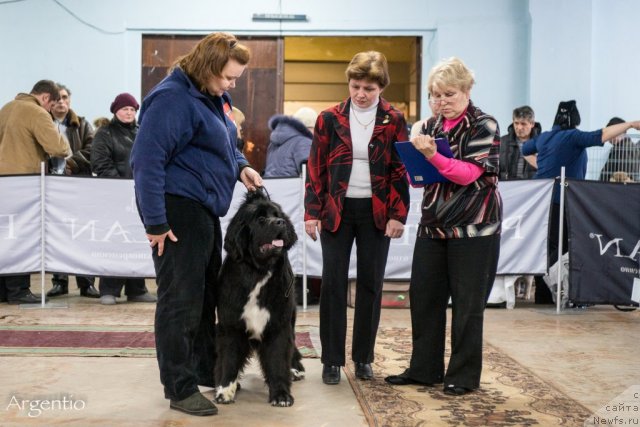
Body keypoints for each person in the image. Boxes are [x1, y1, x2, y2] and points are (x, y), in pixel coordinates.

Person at [130, 32, 262, 416]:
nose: (231, 85)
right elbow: (147, 163)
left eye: (235, 78)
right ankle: (180, 386)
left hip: (205, 211)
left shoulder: (212, 95)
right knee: (181, 302)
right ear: (207, 68)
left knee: (206, 298)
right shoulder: (172, 99)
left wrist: (242, 168)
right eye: (228, 77)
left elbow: (224, 145)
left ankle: (205, 369)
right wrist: (155, 222)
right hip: (177, 212)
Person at [384, 57, 502, 396]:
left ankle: (462, 376)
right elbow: (419, 180)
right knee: (424, 299)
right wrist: (415, 159)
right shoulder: (430, 126)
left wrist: (433, 156)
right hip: (434, 226)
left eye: (448, 94)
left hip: (475, 228)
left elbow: (468, 174)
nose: (441, 102)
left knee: (467, 306)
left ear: (466, 91)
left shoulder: (485, 125)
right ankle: (424, 369)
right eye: (435, 95)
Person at [304, 51, 410, 385]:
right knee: (333, 283)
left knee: (370, 285)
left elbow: (400, 169)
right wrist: (311, 212)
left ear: (381, 88)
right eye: (355, 86)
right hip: (337, 210)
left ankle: (363, 357)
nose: (361, 93)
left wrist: (398, 214)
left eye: (369, 88)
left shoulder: (393, 119)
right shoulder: (329, 118)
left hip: (376, 212)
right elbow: (316, 167)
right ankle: (331, 360)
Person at [522, 101, 640, 304]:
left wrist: (541, 165)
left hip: (543, 200)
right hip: (563, 202)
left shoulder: (545, 137)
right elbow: (601, 134)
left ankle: (544, 295)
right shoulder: (573, 136)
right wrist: (629, 124)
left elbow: (525, 148)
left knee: (547, 248)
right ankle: (561, 294)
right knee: (564, 248)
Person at [0, 80, 71, 304]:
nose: (51, 109)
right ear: (46, 98)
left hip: (3, 183)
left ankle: (3, 290)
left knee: (5, 236)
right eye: (51, 105)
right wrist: (60, 136)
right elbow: (58, 148)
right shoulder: (37, 113)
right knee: (22, 236)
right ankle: (19, 291)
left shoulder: (6, 108)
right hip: (24, 184)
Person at [91, 93, 157, 306]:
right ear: (115, 111)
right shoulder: (105, 133)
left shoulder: (142, 132)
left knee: (136, 240)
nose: (128, 113)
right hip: (114, 196)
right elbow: (100, 163)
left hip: (139, 195)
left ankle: (136, 289)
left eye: (132, 109)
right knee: (116, 242)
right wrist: (120, 186)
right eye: (124, 109)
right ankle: (108, 289)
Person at [46, 83, 99, 299]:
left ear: (70, 100)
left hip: (79, 185)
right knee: (57, 232)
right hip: (51, 186)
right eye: (56, 98)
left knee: (83, 232)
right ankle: (60, 282)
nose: (61, 102)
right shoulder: (43, 123)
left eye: (65, 97)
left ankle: (86, 283)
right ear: (49, 102)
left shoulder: (83, 124)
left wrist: (70, 164)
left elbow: (92, 149)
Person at [263, 107, 317, 178]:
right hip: (295, 187)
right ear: (310, 127)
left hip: (271, 187)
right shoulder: (304, 142)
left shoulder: (273, 143)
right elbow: (310, 174)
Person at [499, 105, 541, 180]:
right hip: (506, 189)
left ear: (532, 124)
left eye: (523, 124)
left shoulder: (542, 143)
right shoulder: (502, 142)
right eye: (516, 123)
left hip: (533, 190)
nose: (519, 127)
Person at [599, 117, 640, 182]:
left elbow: (622, 178)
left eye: (609, 132)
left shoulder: (623, 149)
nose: (607, 136)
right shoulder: (623, 147)